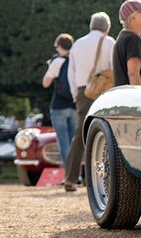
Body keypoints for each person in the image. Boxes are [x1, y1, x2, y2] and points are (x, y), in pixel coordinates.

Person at [63, 12, 115, 192]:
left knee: (80, 134)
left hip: (82, 91)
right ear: (107, 28)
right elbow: (114, 68)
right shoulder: (109, 42)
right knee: (105, 133)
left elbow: (71, 73)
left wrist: (75, 93)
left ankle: (70, 178)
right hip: (103, 90)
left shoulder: (77, 44)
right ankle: (98, 179)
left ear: (91, 26)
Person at [42, 33, 76, 168]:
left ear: (60, 46)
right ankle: (76, 174)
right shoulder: (75, 60)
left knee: (63, 142)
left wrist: (50, 66)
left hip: (59, 105)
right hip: (74, 104)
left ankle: (68, 174)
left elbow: (46, 83)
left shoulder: (57, 61)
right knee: (74, 141)